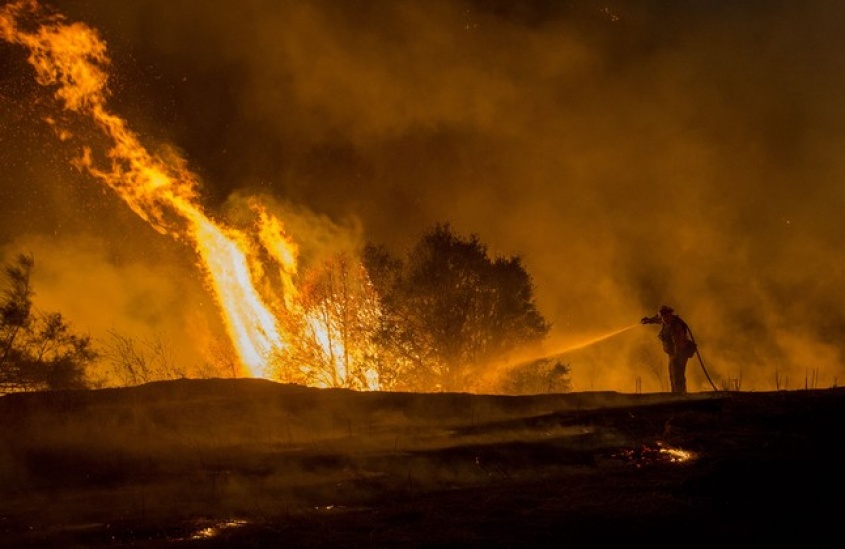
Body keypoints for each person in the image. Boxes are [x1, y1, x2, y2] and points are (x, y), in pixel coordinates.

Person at [641, 305, 696, 393]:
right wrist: (648, 320)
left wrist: (677, 357)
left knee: (678, 375)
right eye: (663, 317)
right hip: (672, 354)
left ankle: (680, 395)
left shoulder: (675, 326)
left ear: (670, 315)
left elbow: (678, 343)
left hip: (680, 353)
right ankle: (675, 394)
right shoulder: (664, 321)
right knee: (672, 375)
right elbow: (657, 319)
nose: (665, 318)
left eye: (667, 316)